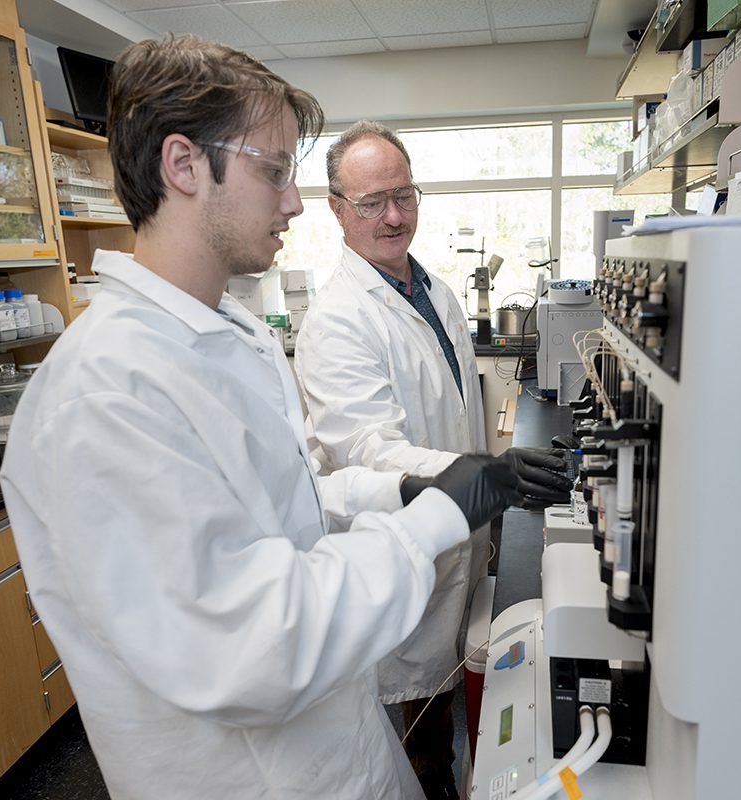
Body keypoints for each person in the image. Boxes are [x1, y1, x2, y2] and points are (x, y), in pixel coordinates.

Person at [0, 37, 519, 800]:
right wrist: (432, 517)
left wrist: (398, 494)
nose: (294, 202)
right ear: (183, 165)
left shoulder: (230, 337)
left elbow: (292, 499)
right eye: (273, 171)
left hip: (334, 745)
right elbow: (255, 646)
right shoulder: (105, 393)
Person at [294, 121, 571, 798]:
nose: (393, 216)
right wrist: (484, 480)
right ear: (335, 208)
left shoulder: (433, 288)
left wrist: (493, 479)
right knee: (414, 731)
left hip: (461, 534)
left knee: (449, 697)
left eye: (404, 195)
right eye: (371, 202)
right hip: (406, 547)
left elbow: (454, 414)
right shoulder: (336, 320)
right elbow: (369, 449)